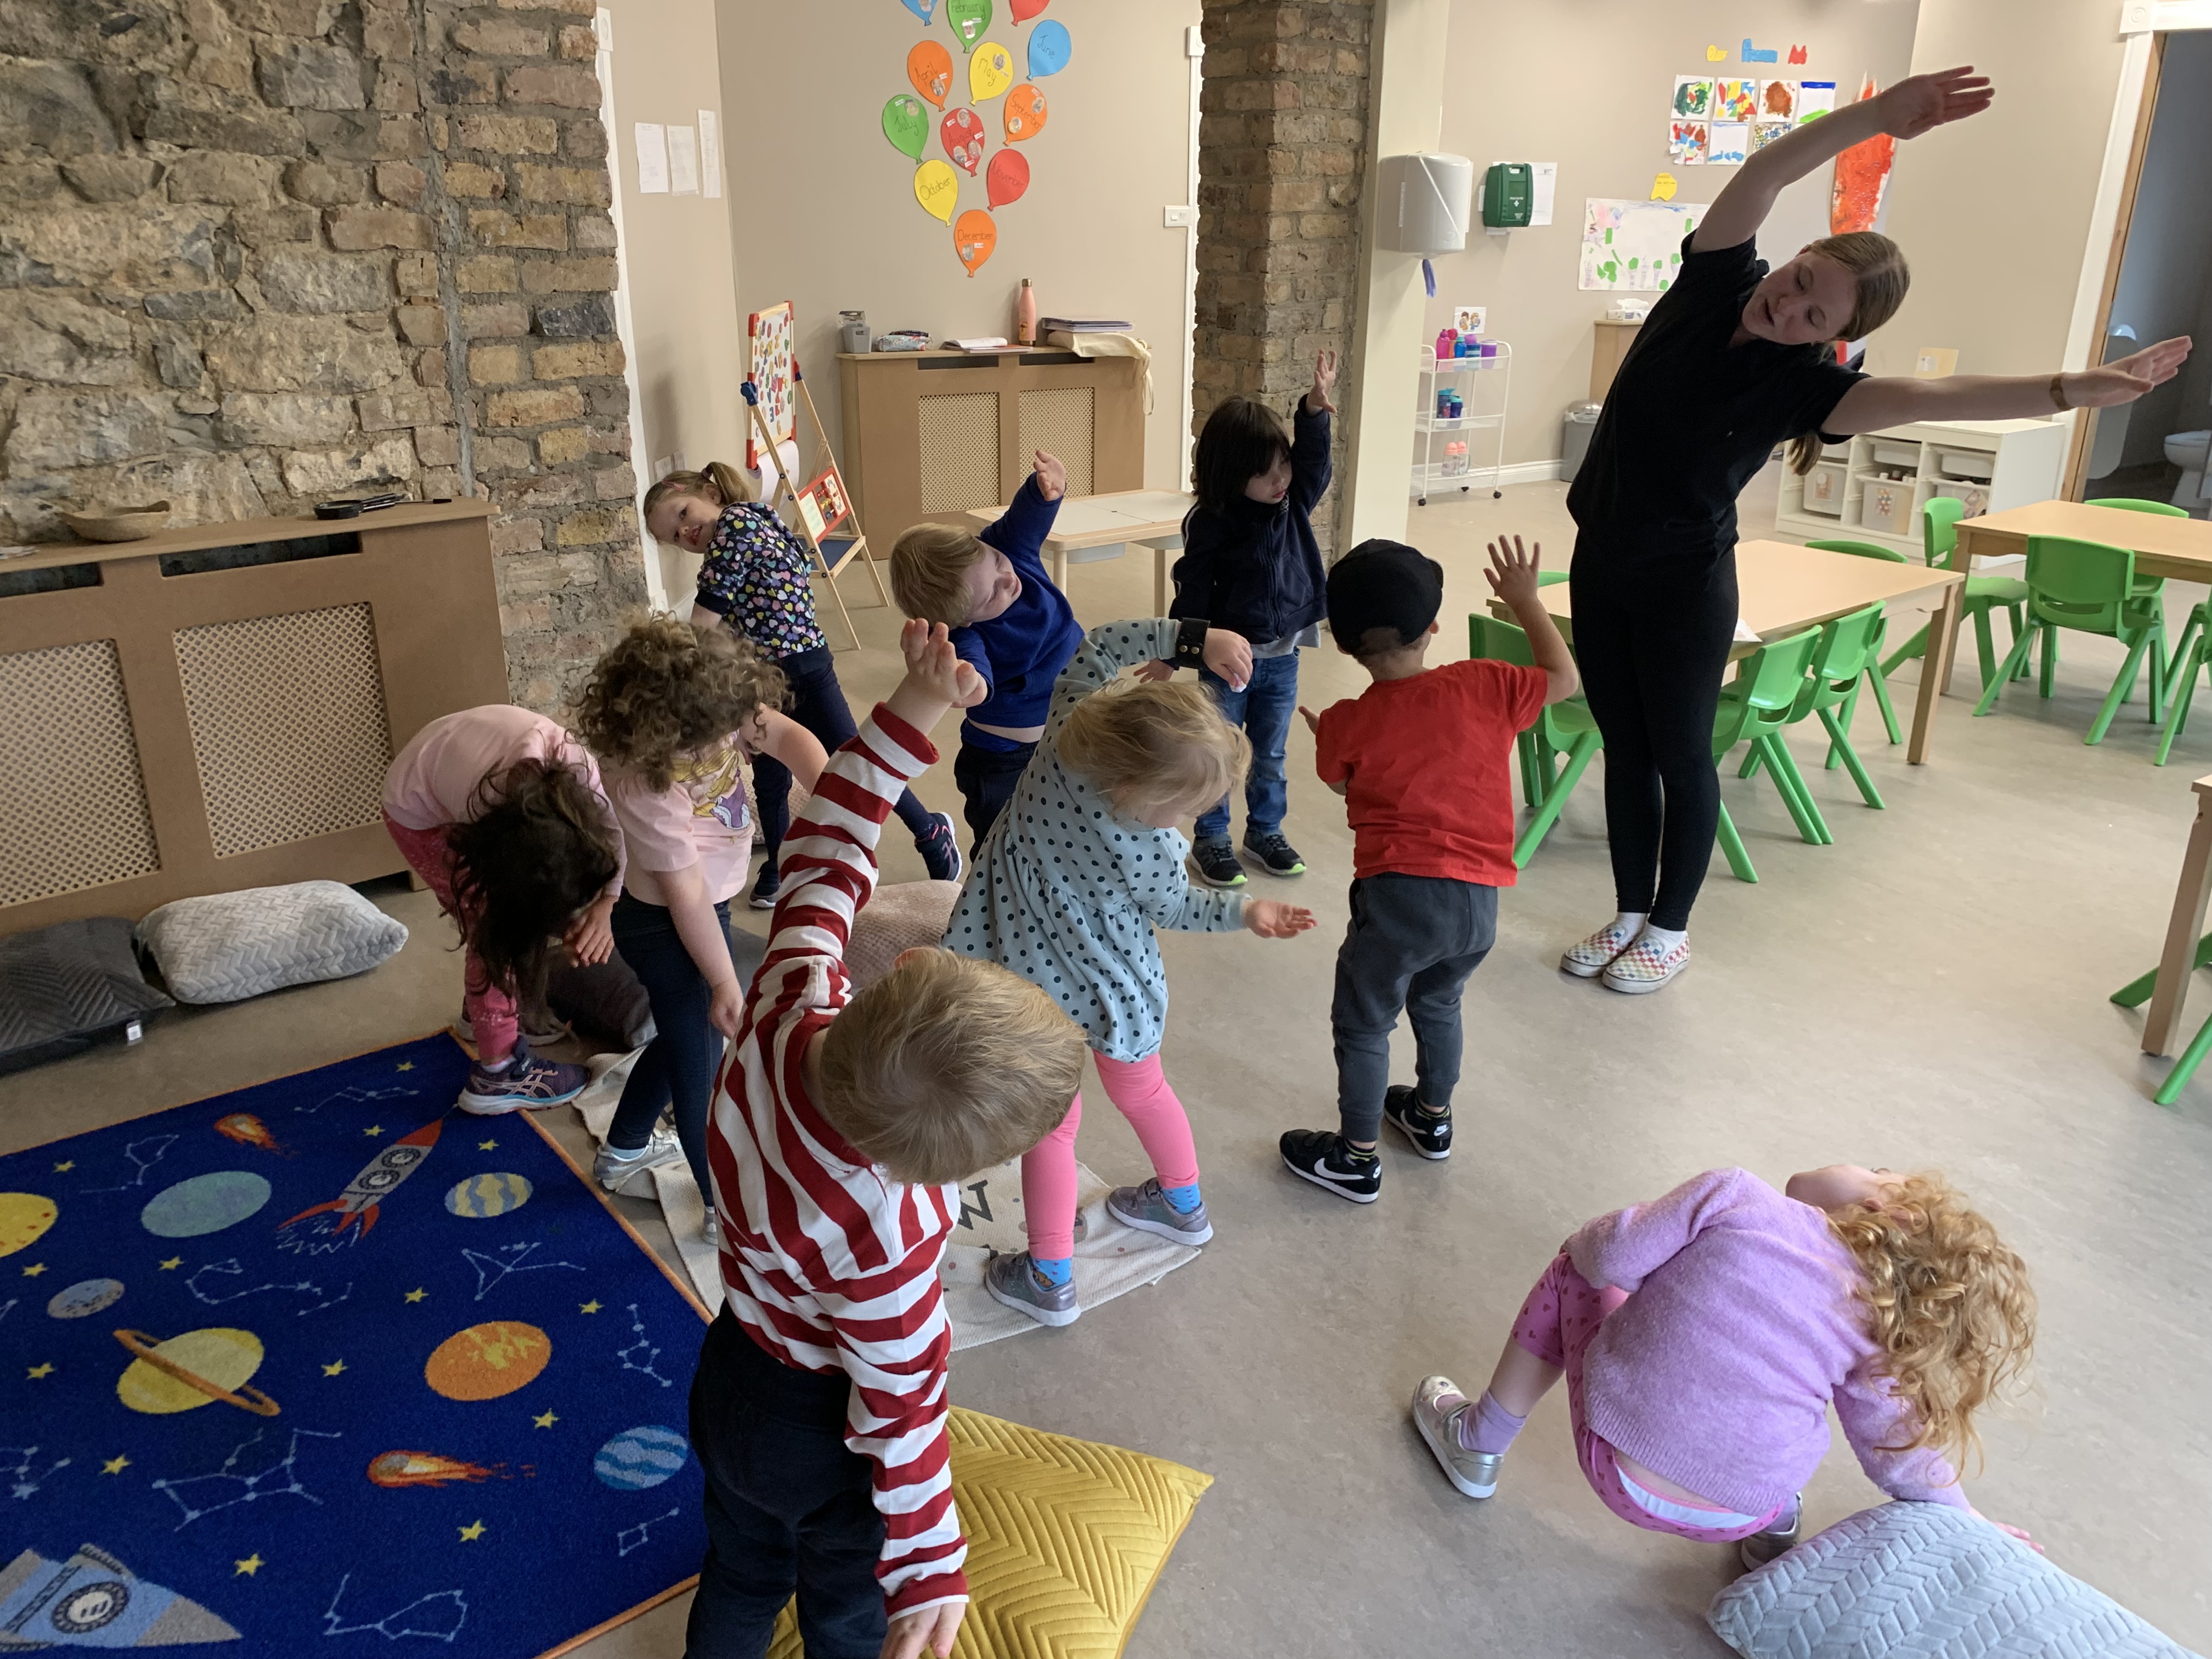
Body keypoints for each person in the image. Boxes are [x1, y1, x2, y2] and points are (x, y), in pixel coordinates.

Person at [1562, 65, 2191, 994]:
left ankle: (1669, 925)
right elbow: (1767, 171)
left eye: (1813, 313)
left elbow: (1942, 394)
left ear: (1833, 337)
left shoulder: (1809, 388)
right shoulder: (1712, 279)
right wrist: (1874, 119)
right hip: (1599, 558)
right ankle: (1624, 906)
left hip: (1682, 584)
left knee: (1680, 753)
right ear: (1796, 254)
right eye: (1799, 278)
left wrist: (2075, 389)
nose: (1787, 302)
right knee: (1623, 744)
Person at [691, 619, 1088, 1659]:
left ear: (901, 973)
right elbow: (902, 1402)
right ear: (956, 1177)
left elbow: (826, 841)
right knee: (842, 1603)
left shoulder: (787, 1000)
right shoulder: (893, 1222)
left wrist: (916, 706)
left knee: (736, 1569)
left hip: (729, 1365)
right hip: (817, 1432)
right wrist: (931, 1559)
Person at [943, 617, 1314, 1328]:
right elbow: (1182, 908)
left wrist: (1192, 638)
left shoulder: (1071, 723)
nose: (1185, 824)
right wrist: (1246, 913)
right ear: (1136, 791)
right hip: (1118, 986)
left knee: (1052, 1126)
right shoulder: (1141, 846)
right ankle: (1182, 1202)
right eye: (1183, 809)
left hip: (1029, 975)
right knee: (1144, 1090)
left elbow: (1099, 646)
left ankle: (1050, 1275)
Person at [1409, 1164, 2040, 1570]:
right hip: (1744, 1511)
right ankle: (1777, 1531)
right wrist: (1972, 1523)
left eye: (1876, 1170)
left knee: (1574, 1266)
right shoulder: (1880, 1329)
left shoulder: (1737, 1195)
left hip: (1618, 1469)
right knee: (1777, 1394)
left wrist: (1631, 1260)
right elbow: (1902, 1457)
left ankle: (1478, 1439)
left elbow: (1606, 1257)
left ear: (1885, 1209)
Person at [1278, 535, 1577, 1204]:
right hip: (1480, 903)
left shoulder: (1349, 721)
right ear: (1433, 626)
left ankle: (1356, 1158)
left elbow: (1346, 790)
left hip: (1398, 901)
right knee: (1439, 1000)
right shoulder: (1486, 683)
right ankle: (1431, 1118)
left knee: (1364, 1022)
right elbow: (1565, 681)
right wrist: (1527, 604)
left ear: (1347, 645)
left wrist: (1331, 736)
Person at [573, 617, 828, 1226]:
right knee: (703, 1071)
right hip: (663, 926)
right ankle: (725, 1211)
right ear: (668, 732)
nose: (734, 740)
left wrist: (831, 808)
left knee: (687, 1038)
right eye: (714, 738)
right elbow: (683, 894)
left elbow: (795, 740)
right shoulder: (640, 778)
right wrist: (721, 981)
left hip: (702, 906)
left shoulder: (715, 697)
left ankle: (625, 1147)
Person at [643, 462, 963, 908]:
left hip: (806, 666)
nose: (685, 533)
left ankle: (930, 830)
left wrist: (674, 672)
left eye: (681, 514)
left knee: (854, 756)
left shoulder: (737, 523)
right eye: (674, 537)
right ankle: (780, 862)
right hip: (761, 677)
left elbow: (705, 621)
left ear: (711, 494)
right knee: (770, 777)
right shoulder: (741, 535)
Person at [381, 706, 620, 1114]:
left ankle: (484, 1015)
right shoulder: (486, 810)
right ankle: (499, 1072)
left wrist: (608, 903)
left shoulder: (582, 773)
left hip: (453, 765)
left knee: (507, 923)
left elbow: (613, 836)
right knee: (496, 929)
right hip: (418, 814)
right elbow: (506, 919)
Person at [1164, 350, 1338, 890]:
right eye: (1264, 474)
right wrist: (1178, 651)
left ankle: (1265, 831)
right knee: (1219, 749)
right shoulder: (1211, 523)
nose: (1280, 480)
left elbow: (1312, 463)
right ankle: (1211, 839)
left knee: (1271, 752)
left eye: (1282, 465)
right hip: (1228, 661)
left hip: (1282, 655)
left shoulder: (1293, 502)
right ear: (1229, 474)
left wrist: (1313, 409)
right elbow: (1191, 587)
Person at [889, 450, 1075, 856]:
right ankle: (992, 910)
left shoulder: (1006, 551)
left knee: (1062, 836)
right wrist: (965, 686)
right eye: (992, 594)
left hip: (1064, 740)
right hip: (1002, 762)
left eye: (995, 562)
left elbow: (1025, 519)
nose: (1008, 580)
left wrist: (1046, 489)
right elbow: (974, 678)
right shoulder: (967, 634)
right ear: (965, 620)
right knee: (1001, 848)